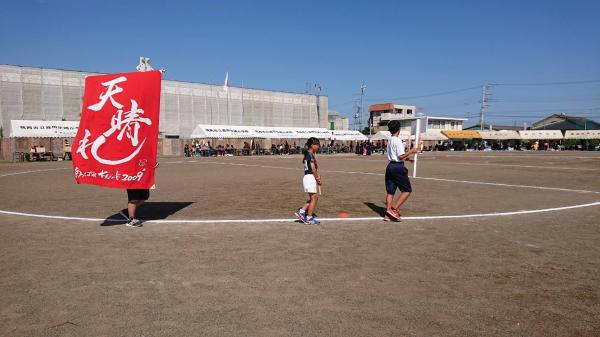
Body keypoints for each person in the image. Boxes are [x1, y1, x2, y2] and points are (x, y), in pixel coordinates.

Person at [384, 120, 418, 222]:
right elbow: (400, 155)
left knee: (390, 192)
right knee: (407, 190)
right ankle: (394, 210)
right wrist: (412, 151)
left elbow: (396, 155)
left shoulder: (390, 140)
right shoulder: (397, 140)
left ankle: (388, 214)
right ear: (399, 129)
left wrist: (407, 159)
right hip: (397, 167)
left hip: (390, 166)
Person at [120, 162, 160, 228]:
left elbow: (146, 158)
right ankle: (131, 220)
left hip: (143, 176)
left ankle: (127, 211)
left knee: (144, 196)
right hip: (131, 176)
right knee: (134, 199)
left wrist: (153, 163)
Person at [294, 137, 321, 225]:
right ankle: (308, 217)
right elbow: (312, 168)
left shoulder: (309, 154)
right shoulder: (310, 154)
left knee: (314, 198)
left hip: (309, 177)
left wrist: (317, 175)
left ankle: (302, 212)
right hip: (310, 177)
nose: (318, 147)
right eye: (317, 145)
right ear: (312, 145)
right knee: (314, 198)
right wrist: (317, 178)